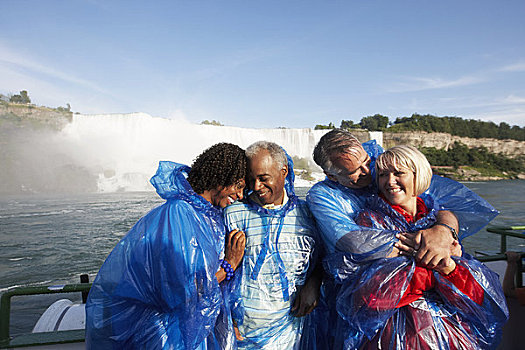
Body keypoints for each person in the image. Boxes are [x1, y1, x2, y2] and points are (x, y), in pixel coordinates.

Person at [306, 128, 500, 347]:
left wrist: (444, 232)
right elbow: (353, 244)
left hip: (441, 322)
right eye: (354, 171)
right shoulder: (325, 196)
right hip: (372, 313)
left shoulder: (383, 163)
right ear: (333, 176)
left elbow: (440, 205)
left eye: (367, 162)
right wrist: (427, 250)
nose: (368, 172)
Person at [86, 143, 248, 349]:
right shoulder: (178, 214)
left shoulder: (208, 216)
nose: (241, 195)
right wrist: (230, 264)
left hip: (185, 329)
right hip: (165, 334)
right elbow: (183, 292)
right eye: (238, 186)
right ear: (220, 178)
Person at [223, 141, 321, 349]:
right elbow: (219, 268)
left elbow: (323, 256)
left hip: (292, 328)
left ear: (283, 171)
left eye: (263, 178)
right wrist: (225, 316)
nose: (257, 187)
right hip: (242, 331)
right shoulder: (234, 214)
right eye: (251, 179)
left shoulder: (306, 214)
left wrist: (314, 282)